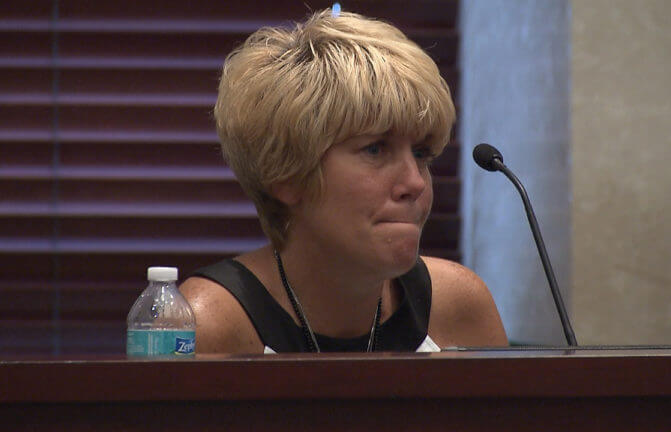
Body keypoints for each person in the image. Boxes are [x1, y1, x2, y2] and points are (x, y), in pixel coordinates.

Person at [179, 8, 507, 353]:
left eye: (422, 154)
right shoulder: (206, 324)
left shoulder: (459, 306)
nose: (416, 183)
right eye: (376, 149)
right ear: (287, 174)